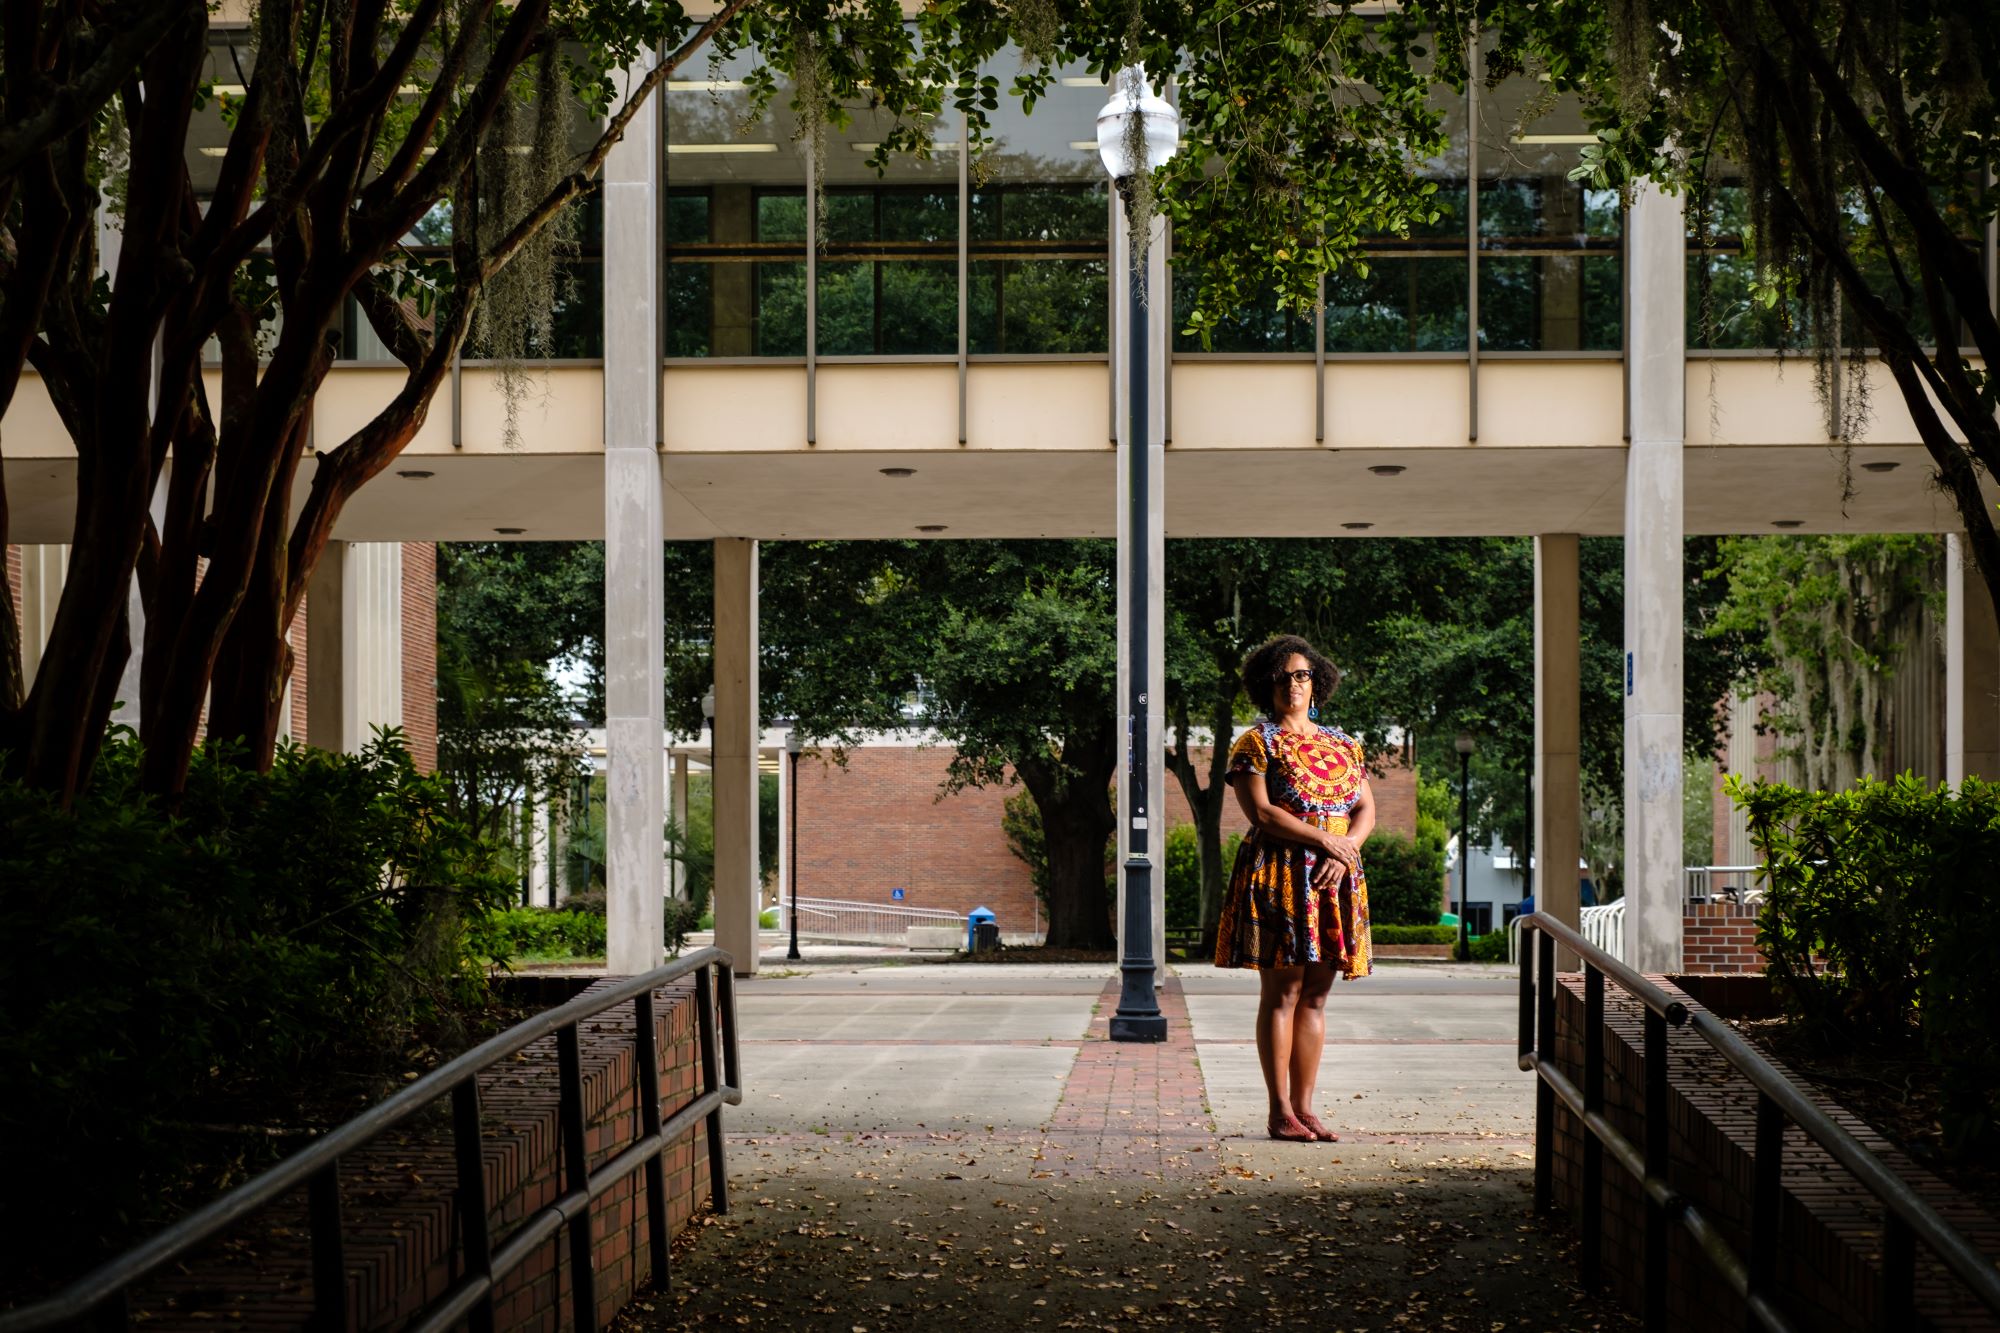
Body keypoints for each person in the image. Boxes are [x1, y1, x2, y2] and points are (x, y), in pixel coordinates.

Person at [1214, 634, 1375, 1143]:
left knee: (1317, 996)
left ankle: (1306, 1109)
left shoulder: (1345, 744)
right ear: (1267, 686)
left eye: (1302, 674)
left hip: (1334, 877)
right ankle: (1278, 1109)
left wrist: (1345, 848)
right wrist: (1329, 841)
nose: (1293, 684)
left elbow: (1365, 809)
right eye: (1282, 677)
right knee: (1282, 993)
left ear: (1317, 682)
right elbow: (1262, 813)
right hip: (1281, 874)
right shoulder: (1255, 743)